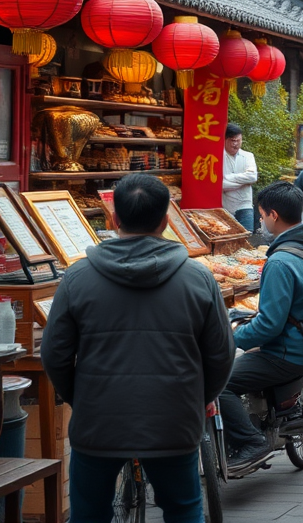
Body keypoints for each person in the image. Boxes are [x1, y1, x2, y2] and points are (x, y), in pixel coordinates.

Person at [41, 173, 235, 522]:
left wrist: (81, 397)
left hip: (98, 421)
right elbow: (221, 354)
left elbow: (54, 354)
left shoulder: (77, 278)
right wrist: (196, 396)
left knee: (88, 513)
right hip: (173, 420)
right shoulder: (198, 278)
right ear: (165, 220)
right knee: (184, 509)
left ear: (114, 219)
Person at [221, 182, 303, 468]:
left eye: (261, 214)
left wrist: (230, 340)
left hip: (287, 353)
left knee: (219, 384)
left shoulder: (280, 261)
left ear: (273, 215)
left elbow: (269, 326)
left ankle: (250, 442)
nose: (260, 220)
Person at [223, 122, 258, 233]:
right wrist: (243, 182)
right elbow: (221, 184)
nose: (236, 144)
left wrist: (229, 177)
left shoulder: (248, 156)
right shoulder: (218, 157)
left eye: (239, 140)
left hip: (245, 204)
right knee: (228, 239)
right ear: (225, 140)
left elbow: (252, 177)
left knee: (247, 236)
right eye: (233, 141)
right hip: (225, 206)